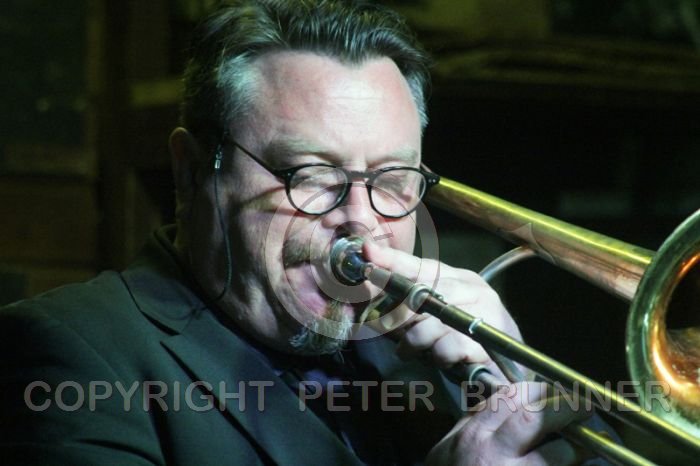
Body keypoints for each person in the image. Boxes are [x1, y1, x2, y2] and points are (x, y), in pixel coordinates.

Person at [0, 1, 597, 464]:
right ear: (191, 172)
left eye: (392, 180)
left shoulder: (427, 350)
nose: (360, 218)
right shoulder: (67, 354)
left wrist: (520, 384)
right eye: (310, 175)